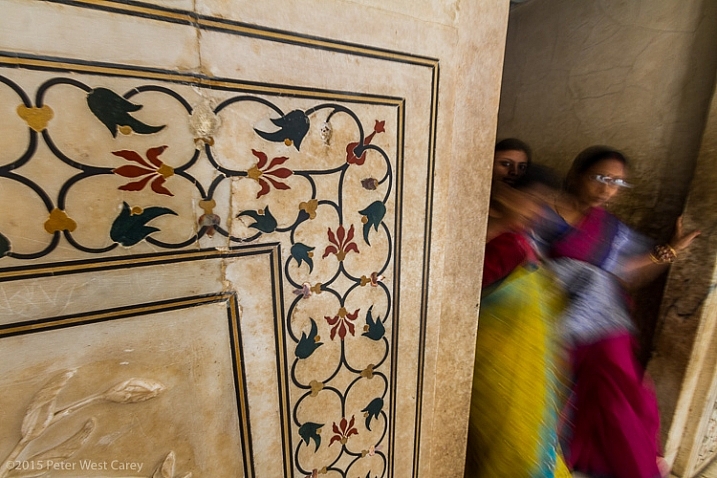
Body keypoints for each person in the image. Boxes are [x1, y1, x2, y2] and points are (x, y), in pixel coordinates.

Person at [533, 146, 700, 478]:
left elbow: (626, 269)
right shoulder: (541, 213)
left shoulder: (609, 228)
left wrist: (669, 252)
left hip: (601, 327)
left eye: (617, 183)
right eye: (601, 178)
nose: (607, 188)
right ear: (576, 175)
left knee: (622, 398)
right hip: (548, 322)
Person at [466, 165, 571, 478]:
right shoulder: (473, 238)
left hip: (513, 373)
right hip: (478, 370)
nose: (538, 213)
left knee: (516, 449)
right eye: (533, 200)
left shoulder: (515, 246)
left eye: (545, 205)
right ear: (502, 193)